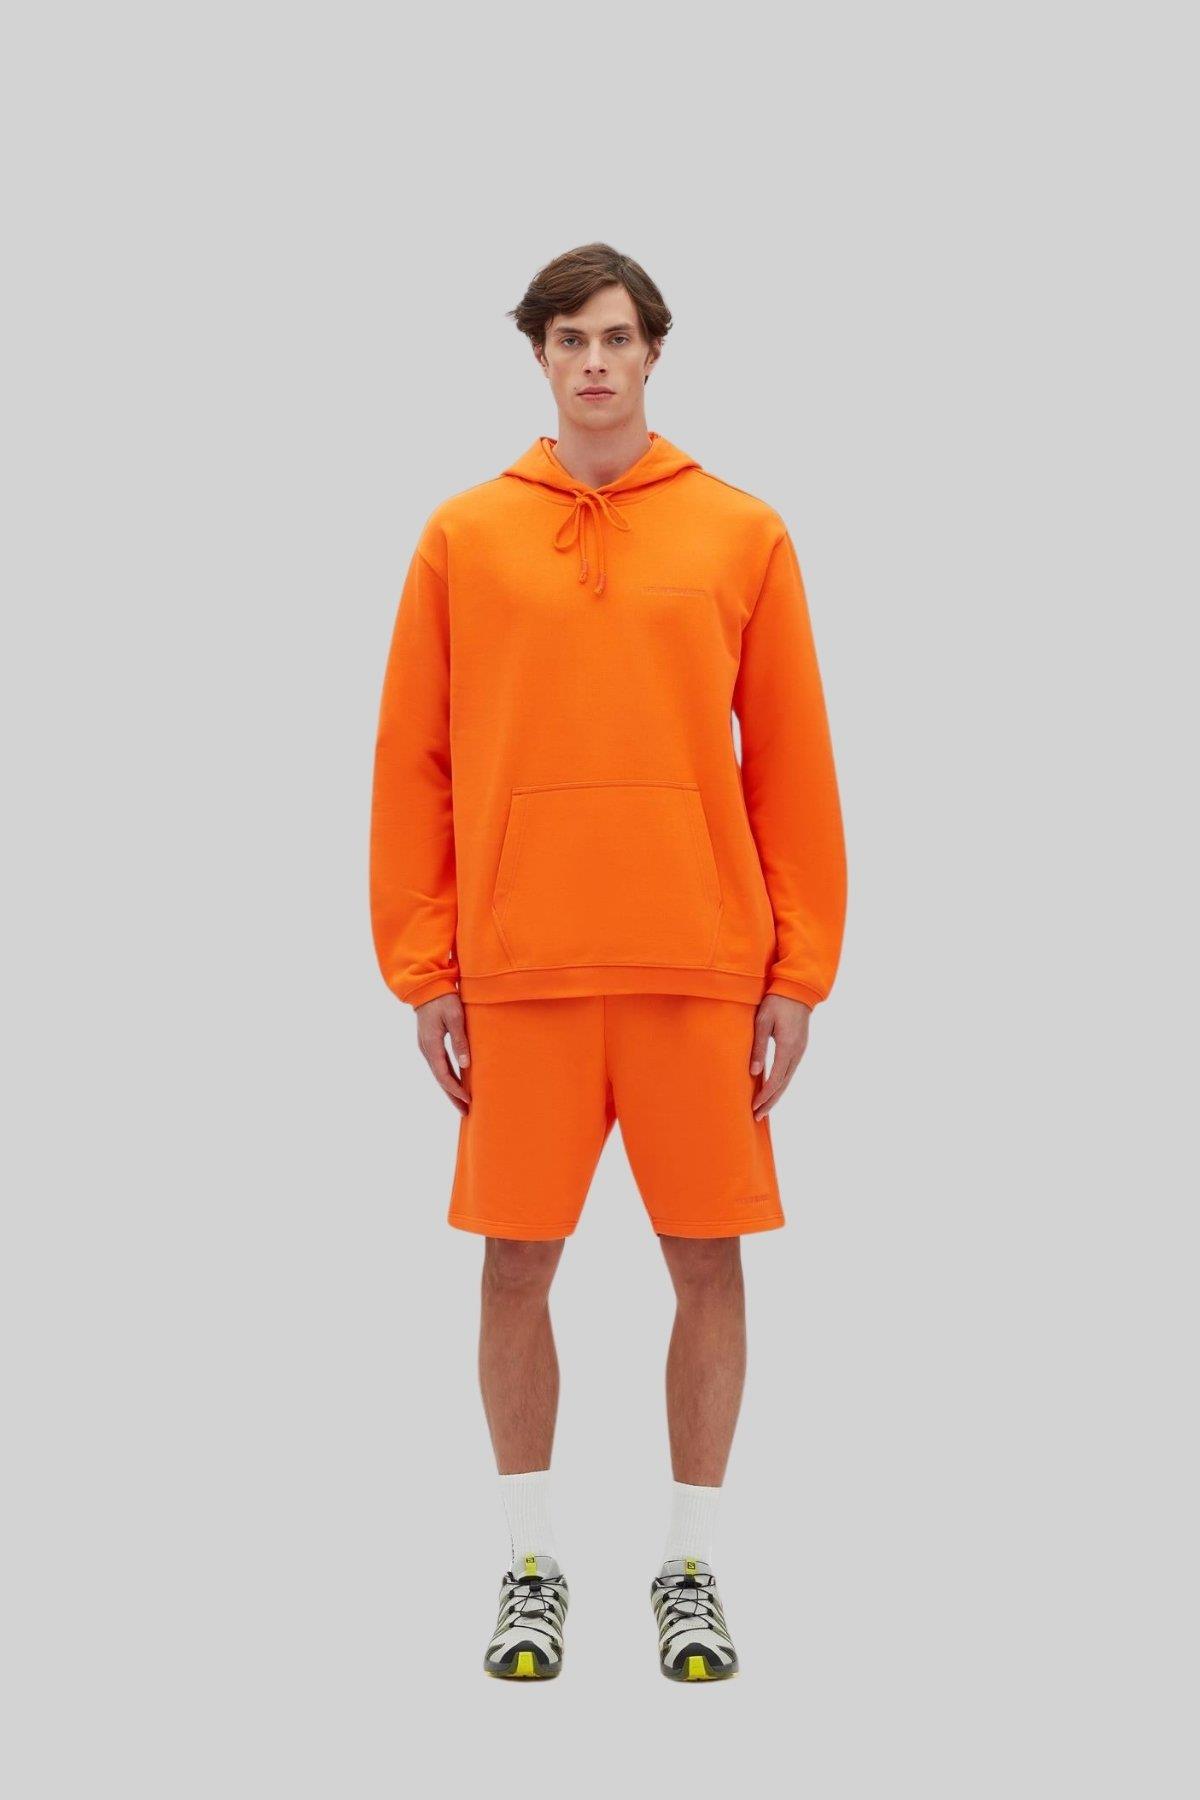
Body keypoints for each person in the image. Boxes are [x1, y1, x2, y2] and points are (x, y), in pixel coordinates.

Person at [369, 241, 847, 1682]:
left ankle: (690, 1568)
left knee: (708, 1259)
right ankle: (530, 1565)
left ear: (652, 354)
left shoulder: (742, 532)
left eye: (617, 337)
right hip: (522, 968)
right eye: (570, 338)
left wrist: (798, 971)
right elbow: (414, 762)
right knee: (517, 1261)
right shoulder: (463, 536)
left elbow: (793, 767)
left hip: (700, 967)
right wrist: (424, 963)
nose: (594, 361)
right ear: (539, 356)